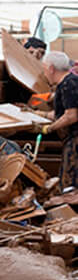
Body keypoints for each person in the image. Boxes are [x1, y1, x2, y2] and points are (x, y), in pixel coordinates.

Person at [40, 50, 78, 190]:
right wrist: (38, 114)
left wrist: (50, 128)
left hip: (75, 141)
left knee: (70, 184)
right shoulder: (66, 84)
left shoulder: (69, 84)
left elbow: (71, 115)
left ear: (51, 69)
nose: (44, 74)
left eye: (44, 69)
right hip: (71, 140)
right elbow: (60, 114)